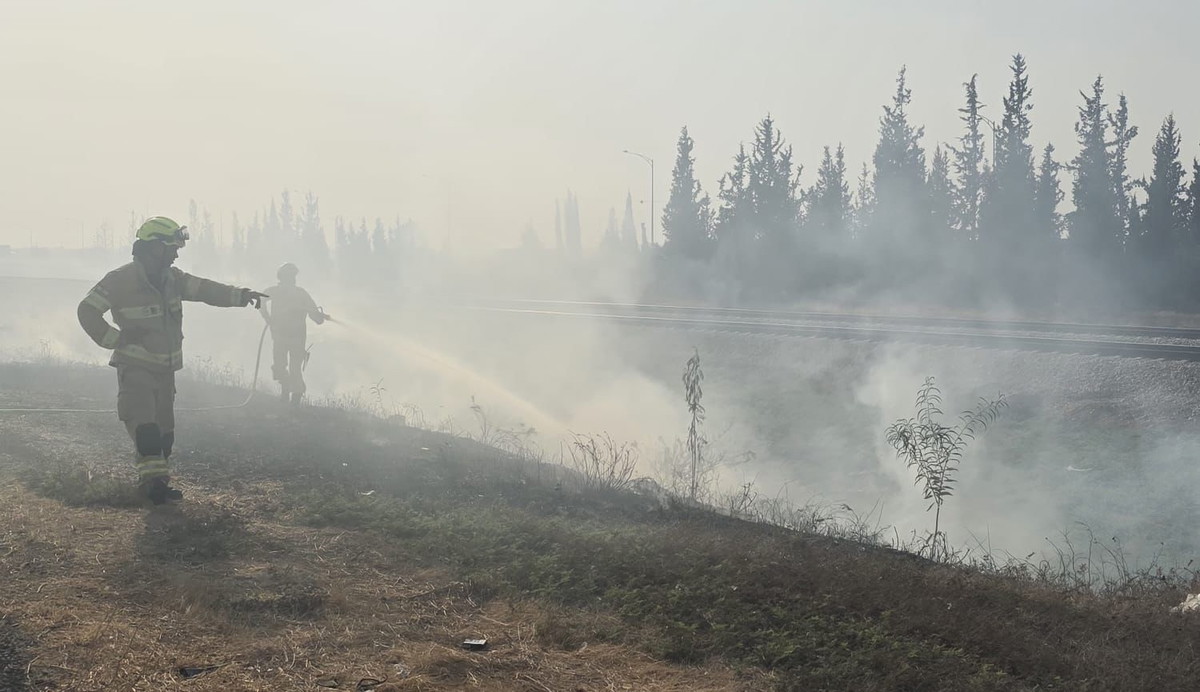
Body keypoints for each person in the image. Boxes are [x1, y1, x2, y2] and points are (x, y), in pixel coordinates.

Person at [77, 216, 266, 504]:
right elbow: (87, 310)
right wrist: (116, 339)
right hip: (135, 368)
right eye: (171, 247)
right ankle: (151, 487)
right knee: (146, 430)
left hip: (165, 373)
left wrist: (240, 295)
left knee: (165, 435)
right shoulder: (121, 280)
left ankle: (158, 484)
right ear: (154, 248)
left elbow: (204, 289)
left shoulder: (172, 279)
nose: (176, 253)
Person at [258, 263, 328, 404]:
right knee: (279, 367)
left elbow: (313, 314)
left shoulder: (300, 294)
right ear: (283, 277)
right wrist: (268, 319)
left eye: (293, 277)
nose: (292, 279)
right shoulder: (275, 291)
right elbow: (261, 301)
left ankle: (295, 400)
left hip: (296, 337)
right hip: (280, 336)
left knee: (295, 369)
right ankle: (285, 394)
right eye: (290, 276)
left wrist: (320, 317)